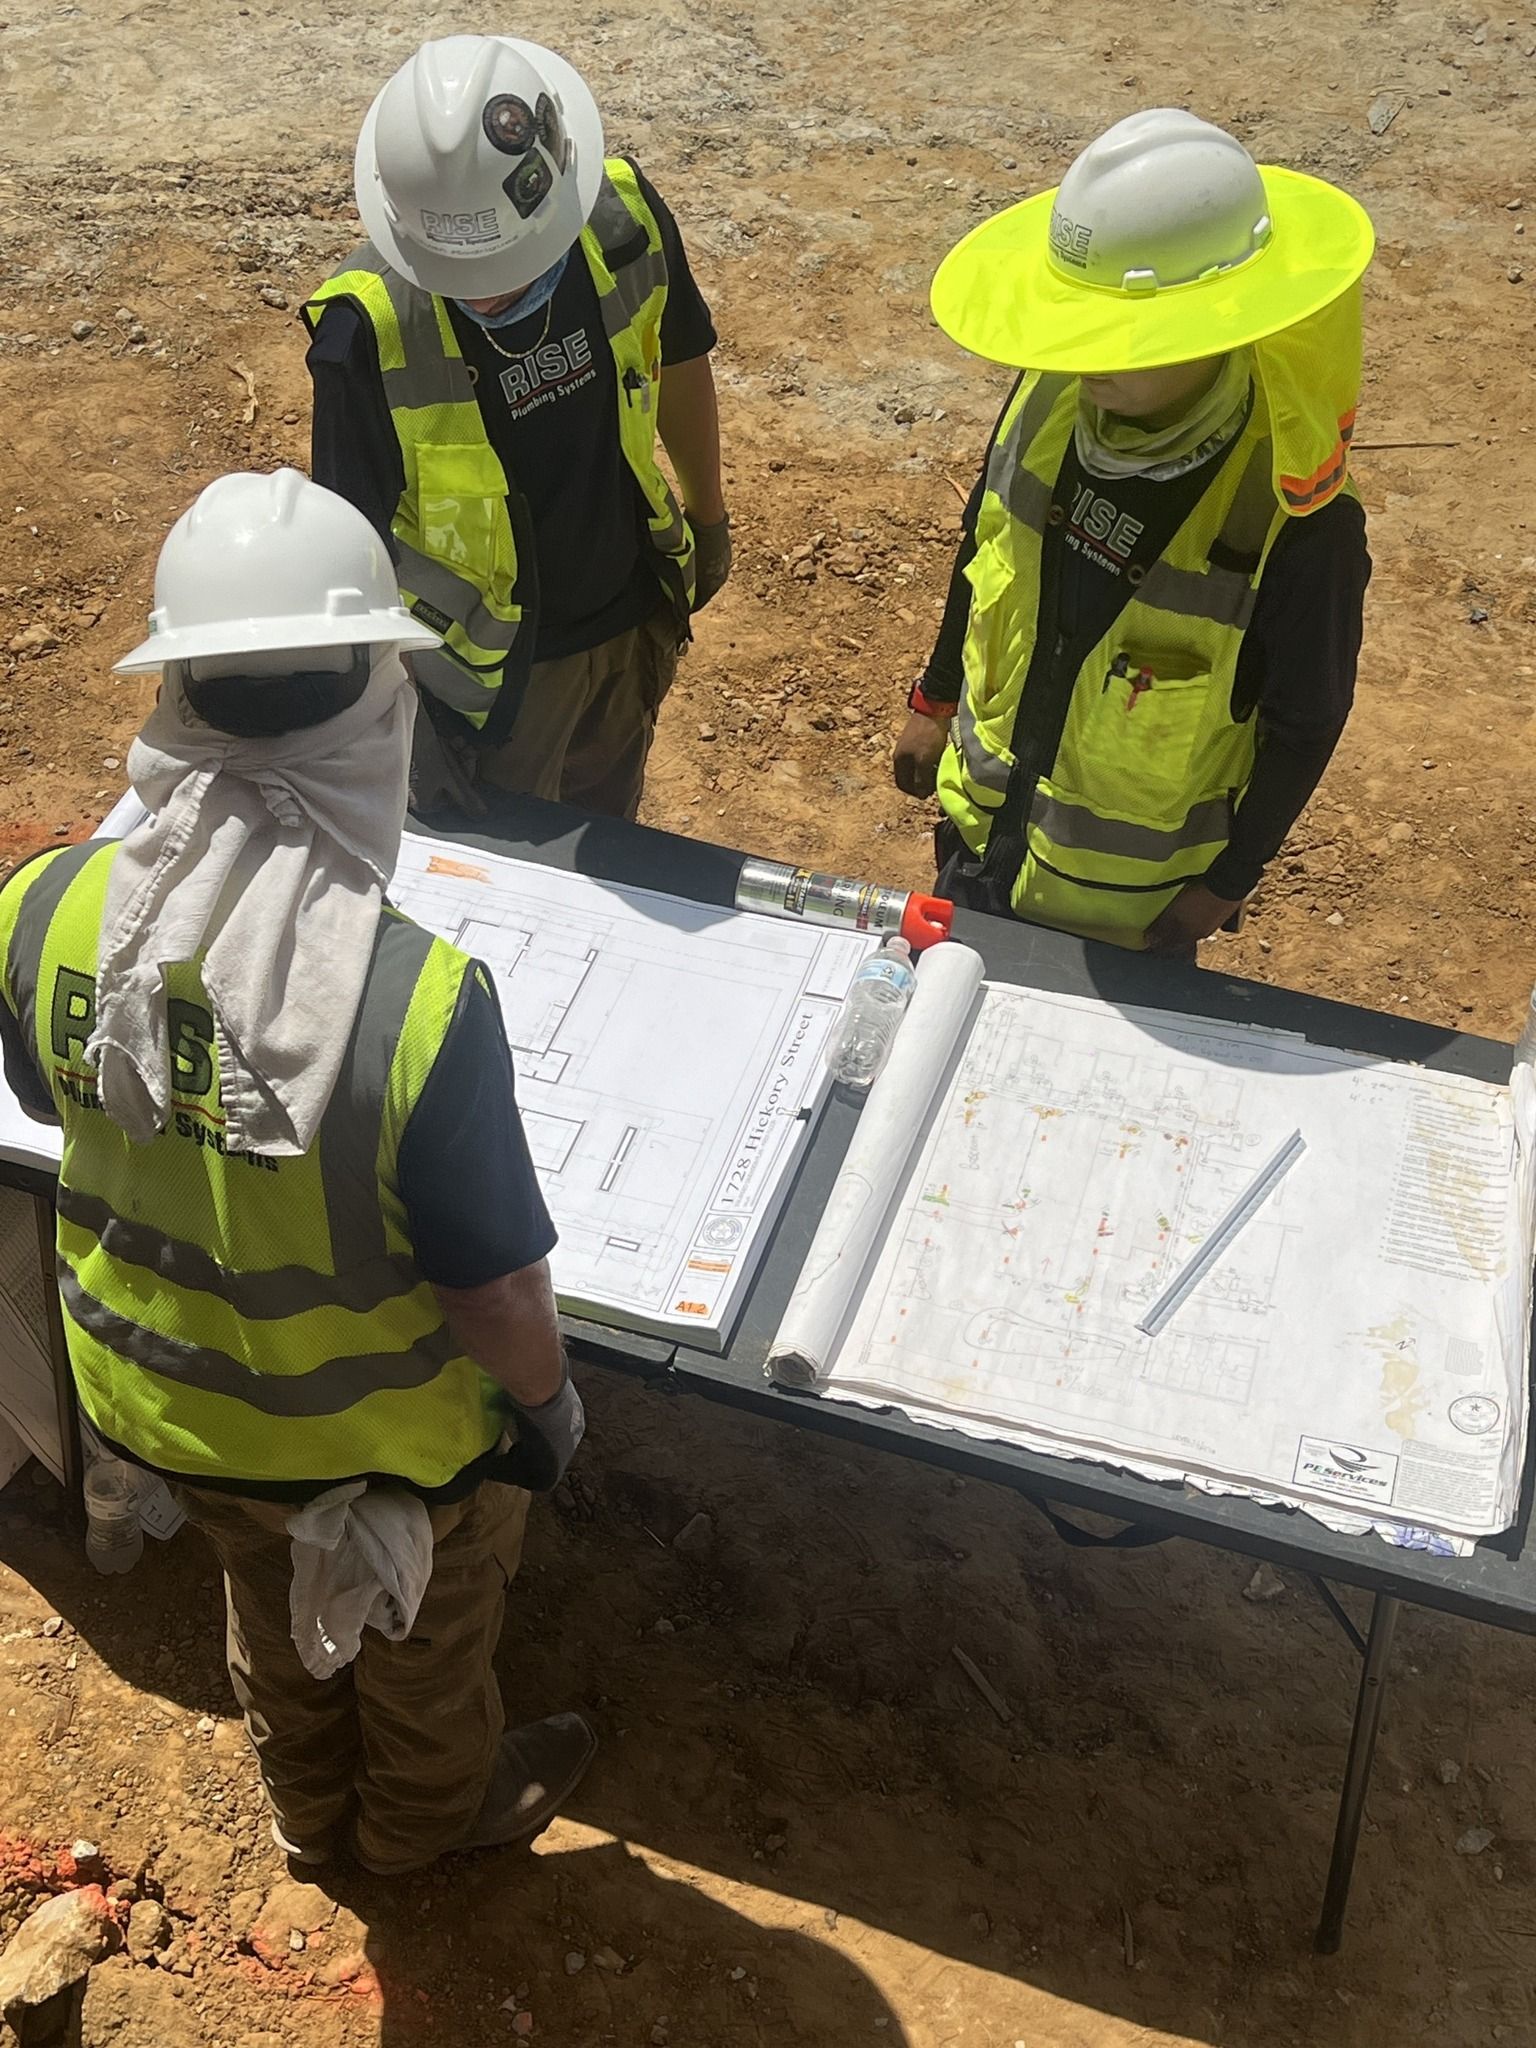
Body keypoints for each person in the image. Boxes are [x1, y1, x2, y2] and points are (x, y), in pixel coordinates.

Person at [0, 469, 594, 1875]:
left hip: (172, 1415)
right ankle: (421, 1834)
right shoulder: (418, 1005)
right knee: (421, 1644)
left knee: (269, 1609)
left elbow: (49, 1091)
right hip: (391, 1446)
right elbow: (497, 1292)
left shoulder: (40, 908)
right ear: (375, 706)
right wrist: (550, 1412)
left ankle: (307, 1818)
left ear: (175, 698)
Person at [894, 110, 1374, 956]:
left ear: (1212, 322)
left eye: (1118, 336)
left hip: (1125, 921)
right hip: (978, 845)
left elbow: (1305, 722)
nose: (1084, 358)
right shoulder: (1051, 398)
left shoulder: (1295, 523)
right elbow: (983, 548)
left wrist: (1223, 888)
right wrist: (933, 699)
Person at [303, 33, 730, 821]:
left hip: (630, 617)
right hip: (483, 694)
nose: (491, 295)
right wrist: (371, 711)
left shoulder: (623, 219)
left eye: (511, 266)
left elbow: (677, 358)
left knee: (611, 836)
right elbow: (346, 547)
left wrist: (707, 515)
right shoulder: (366, 333)